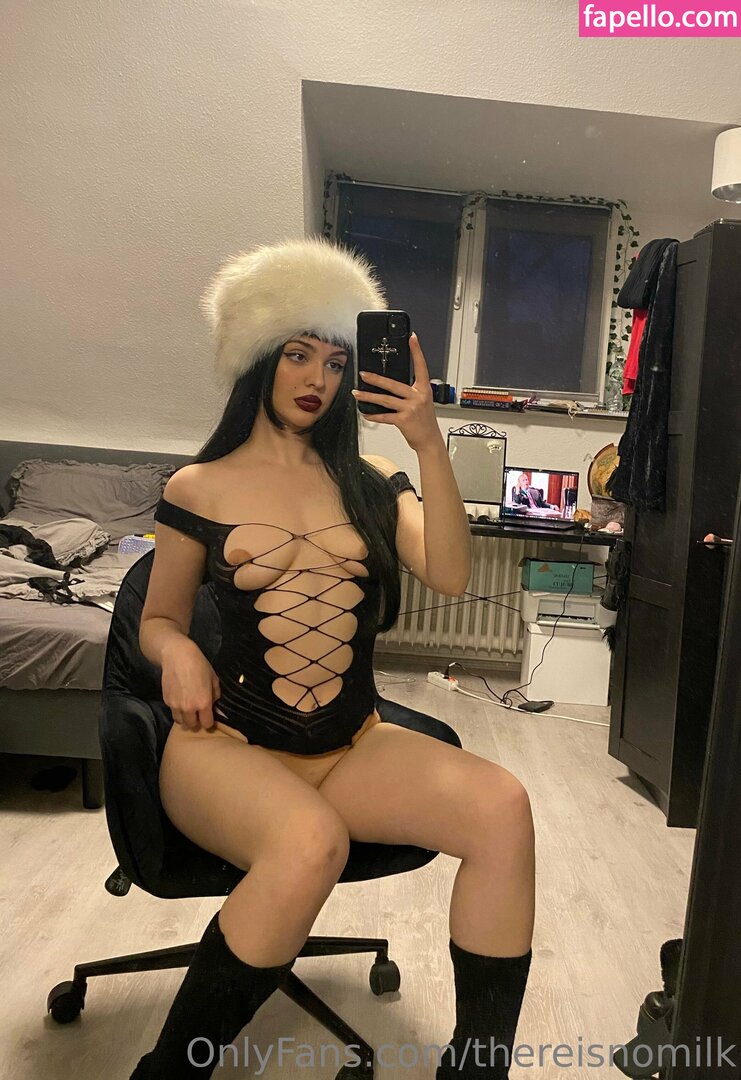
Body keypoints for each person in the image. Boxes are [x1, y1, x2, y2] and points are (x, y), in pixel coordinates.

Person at [131, 236, 535, 1078]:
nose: (317, 377)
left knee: (502, 808)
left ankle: (475, 1070)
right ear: (258, 359)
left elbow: (451, 574)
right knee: (310, 842)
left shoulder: (371, 477)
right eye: (297, 354)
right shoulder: (198, 487)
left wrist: (428, 443)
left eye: (336, 361)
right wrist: (176, 653)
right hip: (225, 745)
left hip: (350, 742)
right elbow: (159, 617)